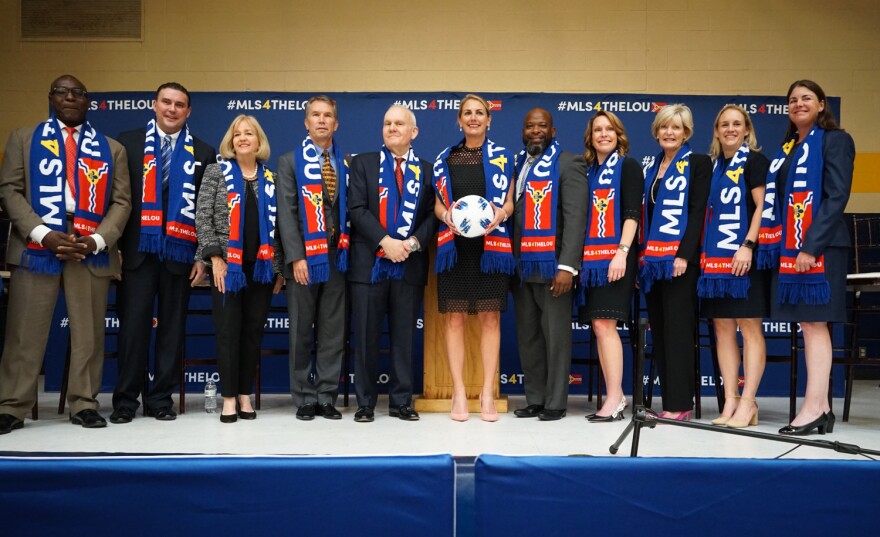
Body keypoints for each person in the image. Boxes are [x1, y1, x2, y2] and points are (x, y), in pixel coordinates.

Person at [0, 75, 131, 434]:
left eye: (78, 93)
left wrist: (97, 240)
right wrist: (43, 234)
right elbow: (10, 191)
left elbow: (122, 202)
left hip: (89, 248)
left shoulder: (112, 148)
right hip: (36, 247)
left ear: (88, 101)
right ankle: (12, 405)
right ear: (51, 98)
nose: (70, 97)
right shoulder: (23, 139)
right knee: (24, 332)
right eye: (63, 91)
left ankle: (84, 403)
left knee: (89, 334)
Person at [111, 82, 217, 423]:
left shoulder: (204, 151)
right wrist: (114, 249)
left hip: (180, 256)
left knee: (171, 330)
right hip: (136, 254)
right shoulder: (126, 144)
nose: (172, 109)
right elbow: (115, 202)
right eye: (166, 102)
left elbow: (207, 210)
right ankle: (126, 400)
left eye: (180, 105)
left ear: (188, 111)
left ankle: (160, 400)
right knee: (132, 330)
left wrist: (202, 256)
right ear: (154, 105)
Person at [758, 81, 854, 436]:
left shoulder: (835, 140)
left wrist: (810, 246)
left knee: (815, 324)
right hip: (792, 248)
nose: (799, 104)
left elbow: (836, 196)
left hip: (822, 248)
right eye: (793, 100)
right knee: (809, 326)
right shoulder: (788, 149)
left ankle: (813, 407)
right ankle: (821, 407)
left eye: (806, 99)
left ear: (822, 105)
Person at [347, 105, 437, 422]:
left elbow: (431, 217)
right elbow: (356, 209)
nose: (392, 128)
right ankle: (366, 404)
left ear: (414, 132)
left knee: (403, 338)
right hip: (368, 264)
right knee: (367, 338)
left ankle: (401, 402)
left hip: (408, 265)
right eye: (387, 123)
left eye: (399, 123)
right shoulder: (362, 164)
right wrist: (385, 241)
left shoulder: (426, 170)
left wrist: (411, 244)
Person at [195, 115, 282, 423]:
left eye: (249, 133)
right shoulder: (216, 172)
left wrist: (279, 269)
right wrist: (215, 258)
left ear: (259, 141)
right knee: (228, 332)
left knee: (252, 333)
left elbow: (281, 227)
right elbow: (203, 217)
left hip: (261, 269)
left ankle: (245, 393)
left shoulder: (271, 178)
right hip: (226, 268)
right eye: (237, 134)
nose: (243, 138)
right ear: (230, 142)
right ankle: (229, 397)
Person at [433, 93, 514, 422]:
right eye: (467, 113)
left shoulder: (504, 158)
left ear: (489, 119)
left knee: (490, 319)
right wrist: (444, 216)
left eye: (480, 112)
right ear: (459, 120)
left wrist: (502, 213)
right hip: (456, 248)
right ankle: (458, 392)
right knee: (454, 319)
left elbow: (510, 202)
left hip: (490, 249)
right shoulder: (446, 158)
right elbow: (436, 202)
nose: (473, 118)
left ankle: (486, 393)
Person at [511, 108, 587, 421]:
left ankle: (555, 402)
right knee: (529, 338)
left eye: (542, 126)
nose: (536, 131)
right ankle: (536, 398)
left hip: (554, 267)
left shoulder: (568, 163)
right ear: (523, 131)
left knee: (555, 338)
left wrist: (568, 266)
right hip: (523, 267)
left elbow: (575, 218)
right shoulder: (518, 164)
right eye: (530, 126)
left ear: (553, 131)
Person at [277, 95, 349, 421]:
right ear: (306, 122)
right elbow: (288, 215)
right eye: (315, 115)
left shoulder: (346, 164)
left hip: (338, 257)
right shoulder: (290, 162)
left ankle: (326, 396)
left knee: (333, 331)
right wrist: (296, 258)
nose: (321, 120)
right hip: (305, 259)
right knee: (302, 331)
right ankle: (304, 397)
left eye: (327, 116)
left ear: (335, 123)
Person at [699, 105, 770, 429]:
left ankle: (748, 401)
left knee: (749, 327)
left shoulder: (754, 161)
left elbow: (761, 207)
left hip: (745, 259)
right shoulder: (714, 167)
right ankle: (729, 402)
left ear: (746, 129)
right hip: (716, 263)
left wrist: (748, 245)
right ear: (716, 130)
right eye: (724, 124)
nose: (730, 129)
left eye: (736, 124)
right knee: (723, 329)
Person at [640, 104, 711, 422]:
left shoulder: (697, 163)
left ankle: (680, 404)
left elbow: (697, 212)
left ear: (687, 133)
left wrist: (683, 254)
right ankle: (669, 401)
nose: (670, 132)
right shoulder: (652, 167)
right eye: (665, 126)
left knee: (679, 333)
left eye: (677, 127)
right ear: (657, 131)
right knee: (663, 333)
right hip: (654, 264)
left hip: (681, 263)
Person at [578, 111, 642, 422]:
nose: (604, 134)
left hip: (617, 258)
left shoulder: (627, 166)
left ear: (618, 134)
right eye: (598, 130)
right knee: (600, 327)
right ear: (590, 137)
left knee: (606, 326)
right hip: (592, 262)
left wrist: (622, 252)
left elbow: (632, 214)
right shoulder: (589, 171)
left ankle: (616, 396)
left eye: (609, 129)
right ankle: (614, 394)